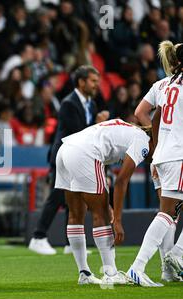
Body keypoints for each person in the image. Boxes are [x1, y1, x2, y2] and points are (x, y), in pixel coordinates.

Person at [56, 118, 153, 284]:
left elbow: (106, 150)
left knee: (75, 214)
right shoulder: (144, 142)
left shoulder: (127, 128)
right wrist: (118, 220)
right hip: (85, 153)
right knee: (101, 214)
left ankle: (84, 273)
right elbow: (121, 181)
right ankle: (111, 274)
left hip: (65, 148)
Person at [28, 65, 109, 255]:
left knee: (73, 199)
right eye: (93, 81)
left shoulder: (91, 104)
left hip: (77, 156)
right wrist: (97, 123)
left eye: (97, 81)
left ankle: (70, 243)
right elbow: (77, 132)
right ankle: (38, 237)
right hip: (63, 155)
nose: (96, 85)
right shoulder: (68, 103)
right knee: (57, 196)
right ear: (81, 82)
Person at [128, 41, 183, 286]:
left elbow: (145, 113)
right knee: (167, 213)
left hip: (161, 155)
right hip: (178, 155)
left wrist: (157, 142)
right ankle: (142, 266)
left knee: (170, 212)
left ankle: (168, 269)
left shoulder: (163, 85)